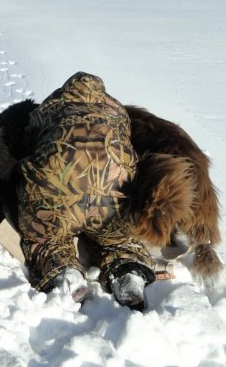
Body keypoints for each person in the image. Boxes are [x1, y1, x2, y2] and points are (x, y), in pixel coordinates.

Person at [17, 72, 155, 307]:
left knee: (48, 238)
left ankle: (65, 273)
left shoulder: (51, 105)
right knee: (118, 240)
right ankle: (127, 271)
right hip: (112, 197)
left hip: (57, 192)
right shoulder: (117, 110)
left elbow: (27, 140)